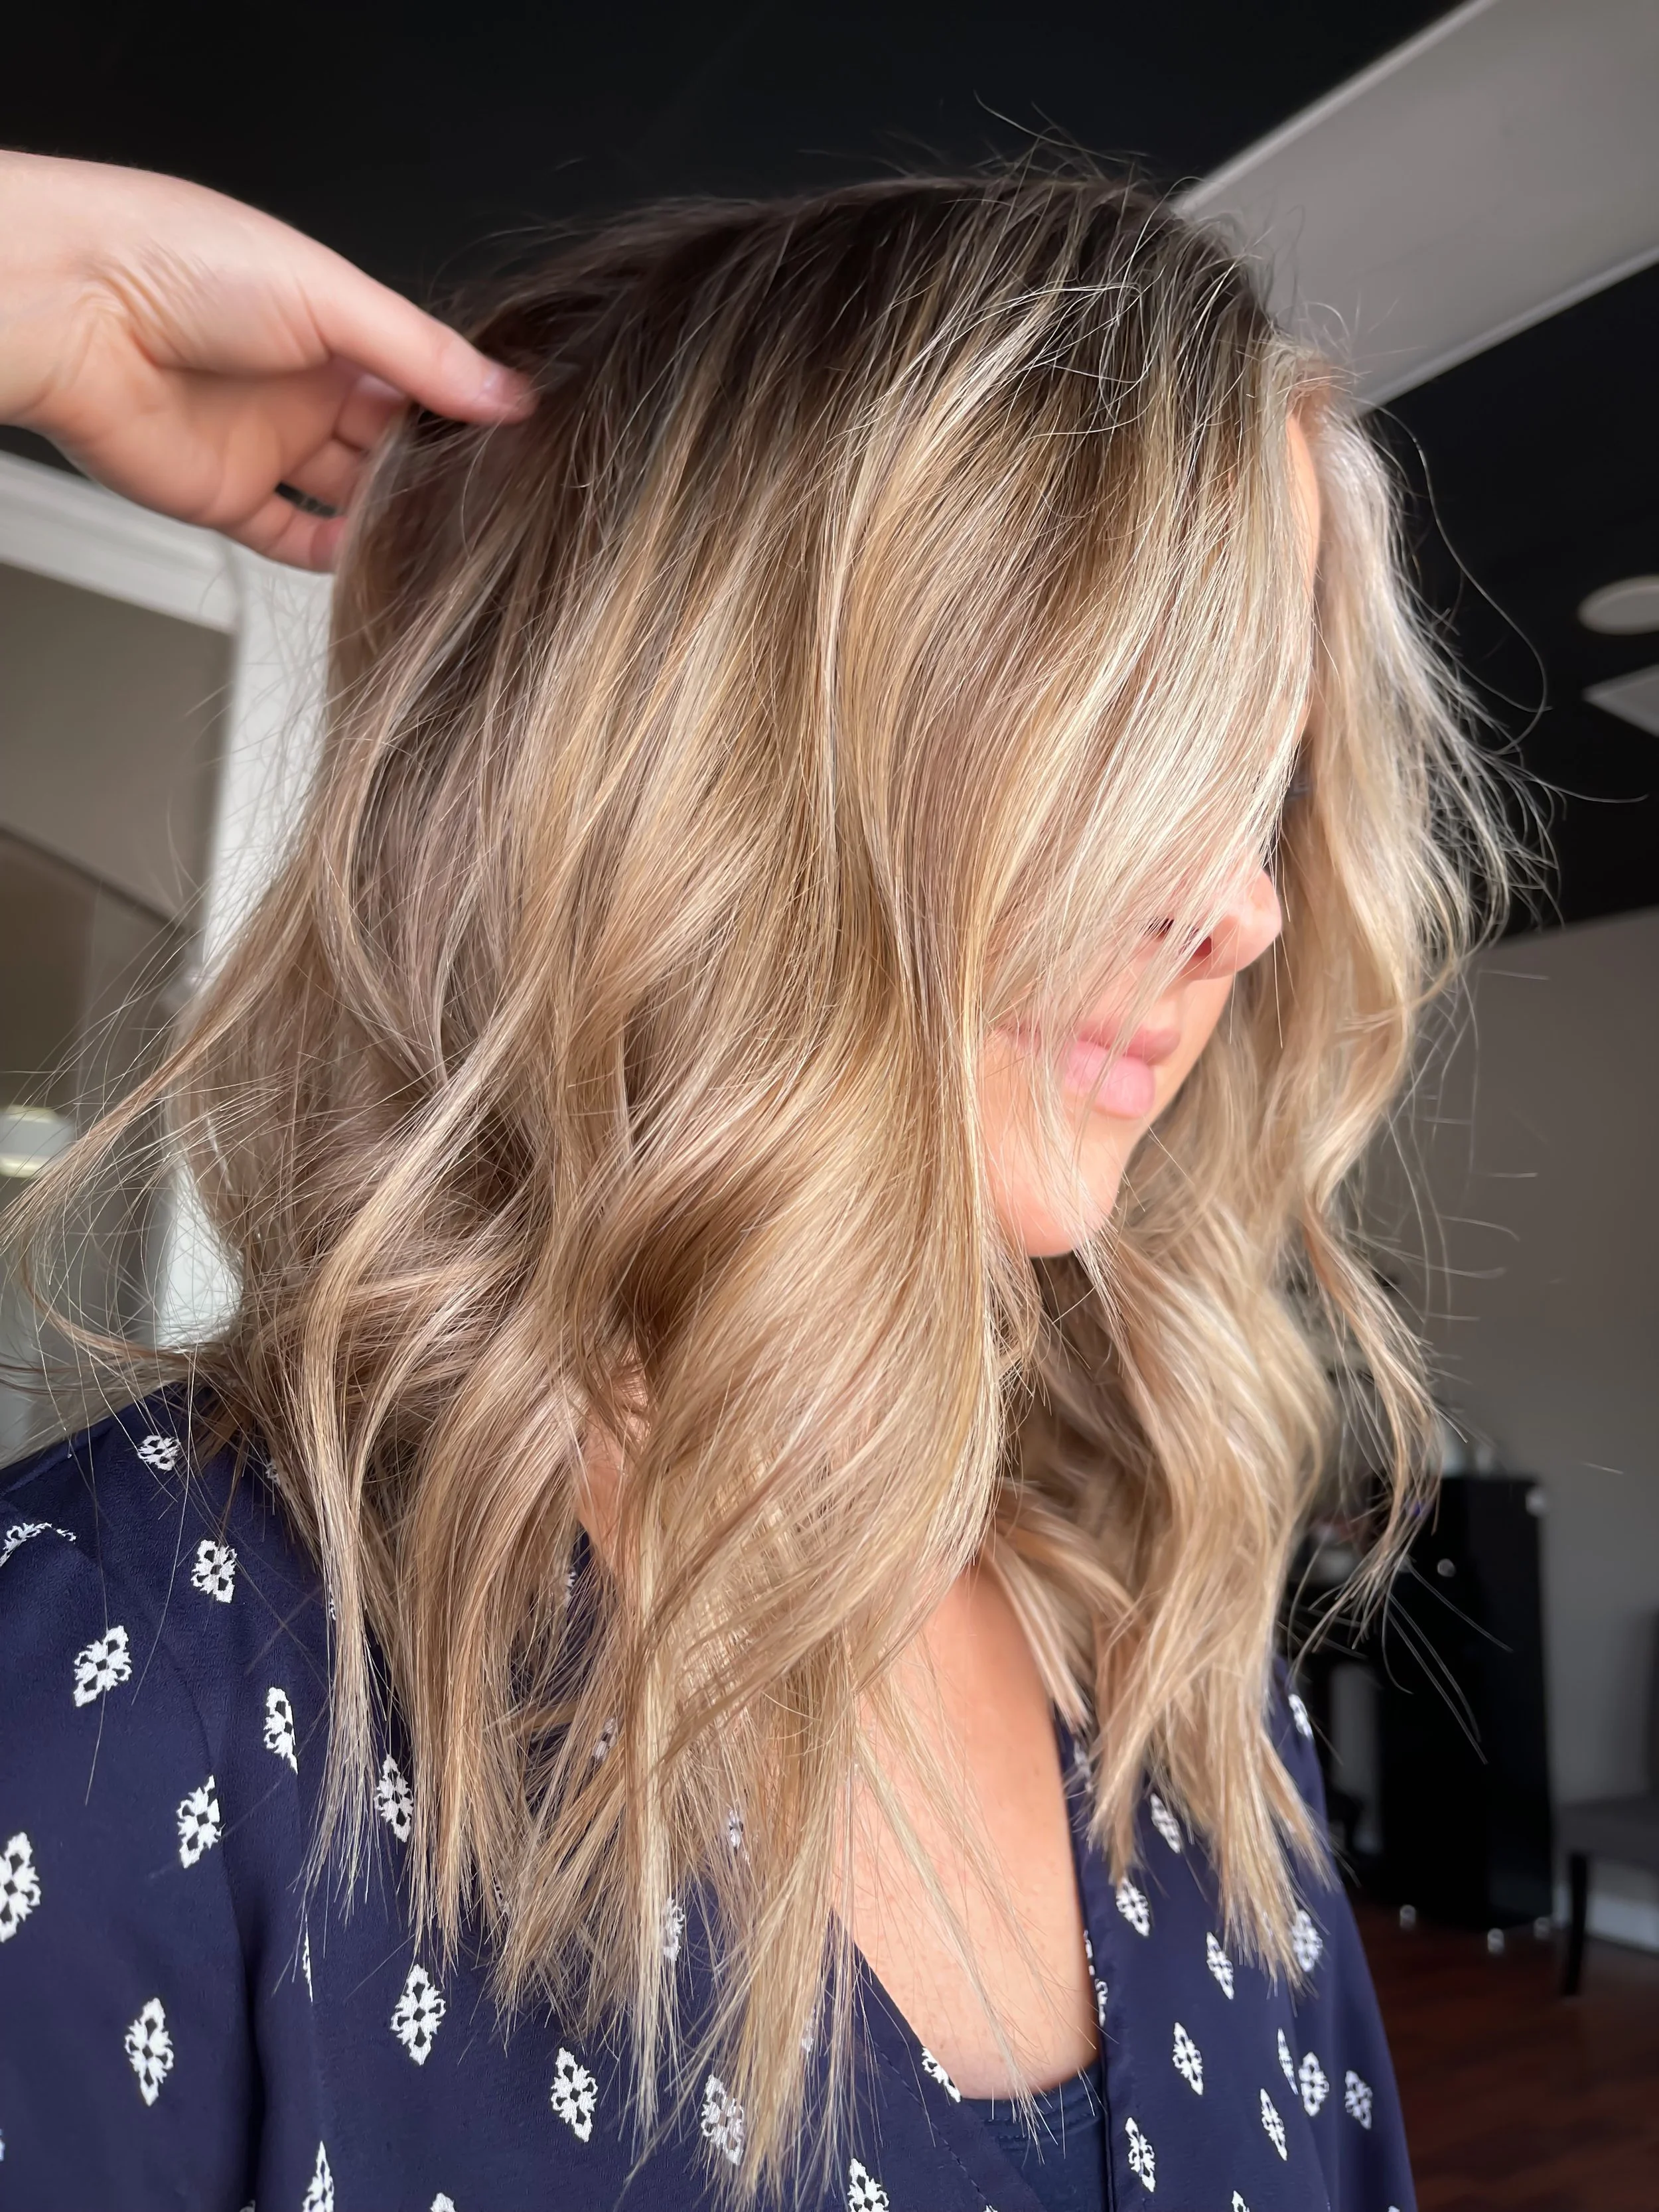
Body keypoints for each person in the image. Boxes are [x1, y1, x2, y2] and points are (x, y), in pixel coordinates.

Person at [0, 146, 1510, 2211]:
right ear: (718, 736)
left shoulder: (1164, 1641)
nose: (1244, 903)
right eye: (1135, 722)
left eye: (1264, 766)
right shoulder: (125, 1694)